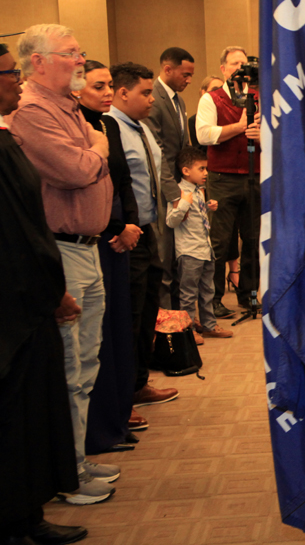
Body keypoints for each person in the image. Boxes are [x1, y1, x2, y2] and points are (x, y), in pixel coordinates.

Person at [8, 24, 121, 505]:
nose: (80, 61)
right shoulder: (33, 111)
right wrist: (98, 149)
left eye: (80, 52)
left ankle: (75, 458)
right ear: (38, 61)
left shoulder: (68, 107)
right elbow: (76, 170)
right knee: (70, 367)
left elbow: (87, 159)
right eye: (71, 53)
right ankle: (67, 474)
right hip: (62, 252)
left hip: (87, 248)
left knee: (86, 364)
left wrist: (92, 150)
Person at [0, 42, 93, 541]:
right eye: (7, 73)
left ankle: (25, 514)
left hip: (28, 300)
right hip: (14, 307)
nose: (14, 80)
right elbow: (17, 231)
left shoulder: (6, 134)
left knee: (33, 411)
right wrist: (52, 291)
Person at [79, 60, 145, 454]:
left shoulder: (110, 125)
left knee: (121, 329)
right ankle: (99, 428)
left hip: (121, 233)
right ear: (77, 89)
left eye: (109, 85)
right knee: (97, 338)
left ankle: (118, 419)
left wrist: (130, 224)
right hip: (97, 236)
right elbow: (82, 184)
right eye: (98, 86)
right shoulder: (77, 126)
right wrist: (114, 228)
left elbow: (124, 180)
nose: (107, 93)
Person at [108, 62, 180, 410]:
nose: (152, 99)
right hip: (127, 233)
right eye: (146, 92)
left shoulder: (143, 128)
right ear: (123, 93)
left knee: (149, 307)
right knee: (131, 315)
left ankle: (139, 382)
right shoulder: (111, 129)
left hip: (150, 229)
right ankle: (126, 393)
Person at [195, 46, 262, 317]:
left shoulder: (258, 97)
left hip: (254, 176)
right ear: (223, 69)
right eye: (234, 63)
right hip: (222, 178)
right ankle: (213, 300)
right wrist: (240, 127)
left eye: (243, 63)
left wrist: (260, 136)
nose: (239, 68)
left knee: (253, 239)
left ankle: (249, 295)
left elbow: (275, 136)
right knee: (220, 241)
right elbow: (204, 135)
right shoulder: (212, 99)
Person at [145, 47, 195, 311]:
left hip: (181, 186)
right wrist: (174, 194)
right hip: (165, 190)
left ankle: (182, 315)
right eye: (185, 74)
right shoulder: (153, 98)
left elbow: (182, 147)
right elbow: (158, 152)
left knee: (179, 257)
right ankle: (167, 321)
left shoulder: (179, 101)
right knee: (165, 259)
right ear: (168, 69)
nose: (189, 80)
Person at [167, 146, 232, 339]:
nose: (206, 173)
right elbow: (171, 221)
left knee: (207, 291)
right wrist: (184, 203)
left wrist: (208, 207)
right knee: (188, 294)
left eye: (206, 168)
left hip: (205, 249)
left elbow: (197, 217)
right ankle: (189, 331)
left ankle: (209, 325)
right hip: (189, 251)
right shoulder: (179, 192)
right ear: (186, 171)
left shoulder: (198, 191)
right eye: (201, 169)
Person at [188, 76, 223, 153]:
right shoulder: (193, 120)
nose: (219, 93)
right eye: (214, 90)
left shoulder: (229, 116)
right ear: (203, 92)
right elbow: (199, 150)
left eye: (222, 90)